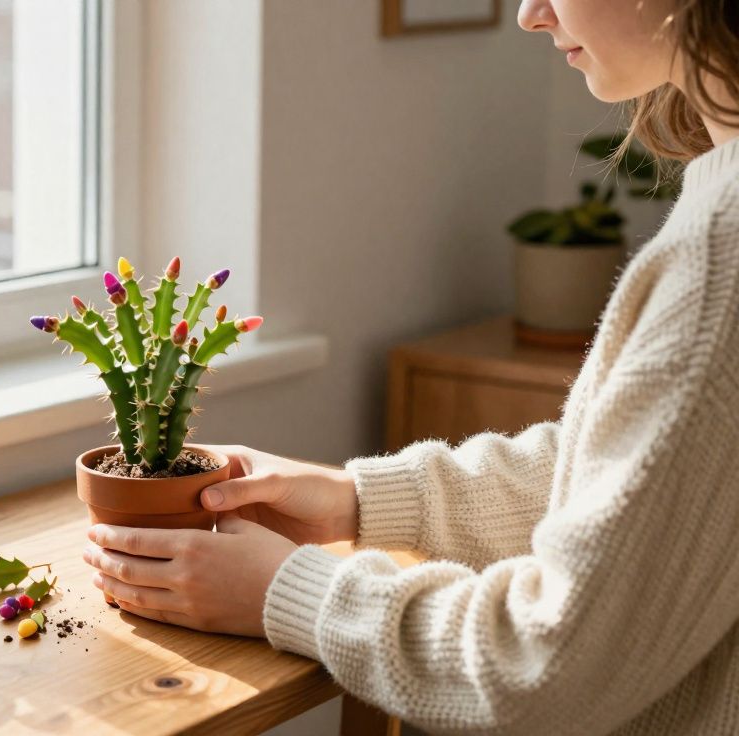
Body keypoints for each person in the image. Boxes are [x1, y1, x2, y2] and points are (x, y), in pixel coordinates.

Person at [82, 0, 739, 733]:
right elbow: (657, 484)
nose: (530, 14)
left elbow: (545, 669)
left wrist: (289, 591)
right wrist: (360, 500)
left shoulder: (720, 260)